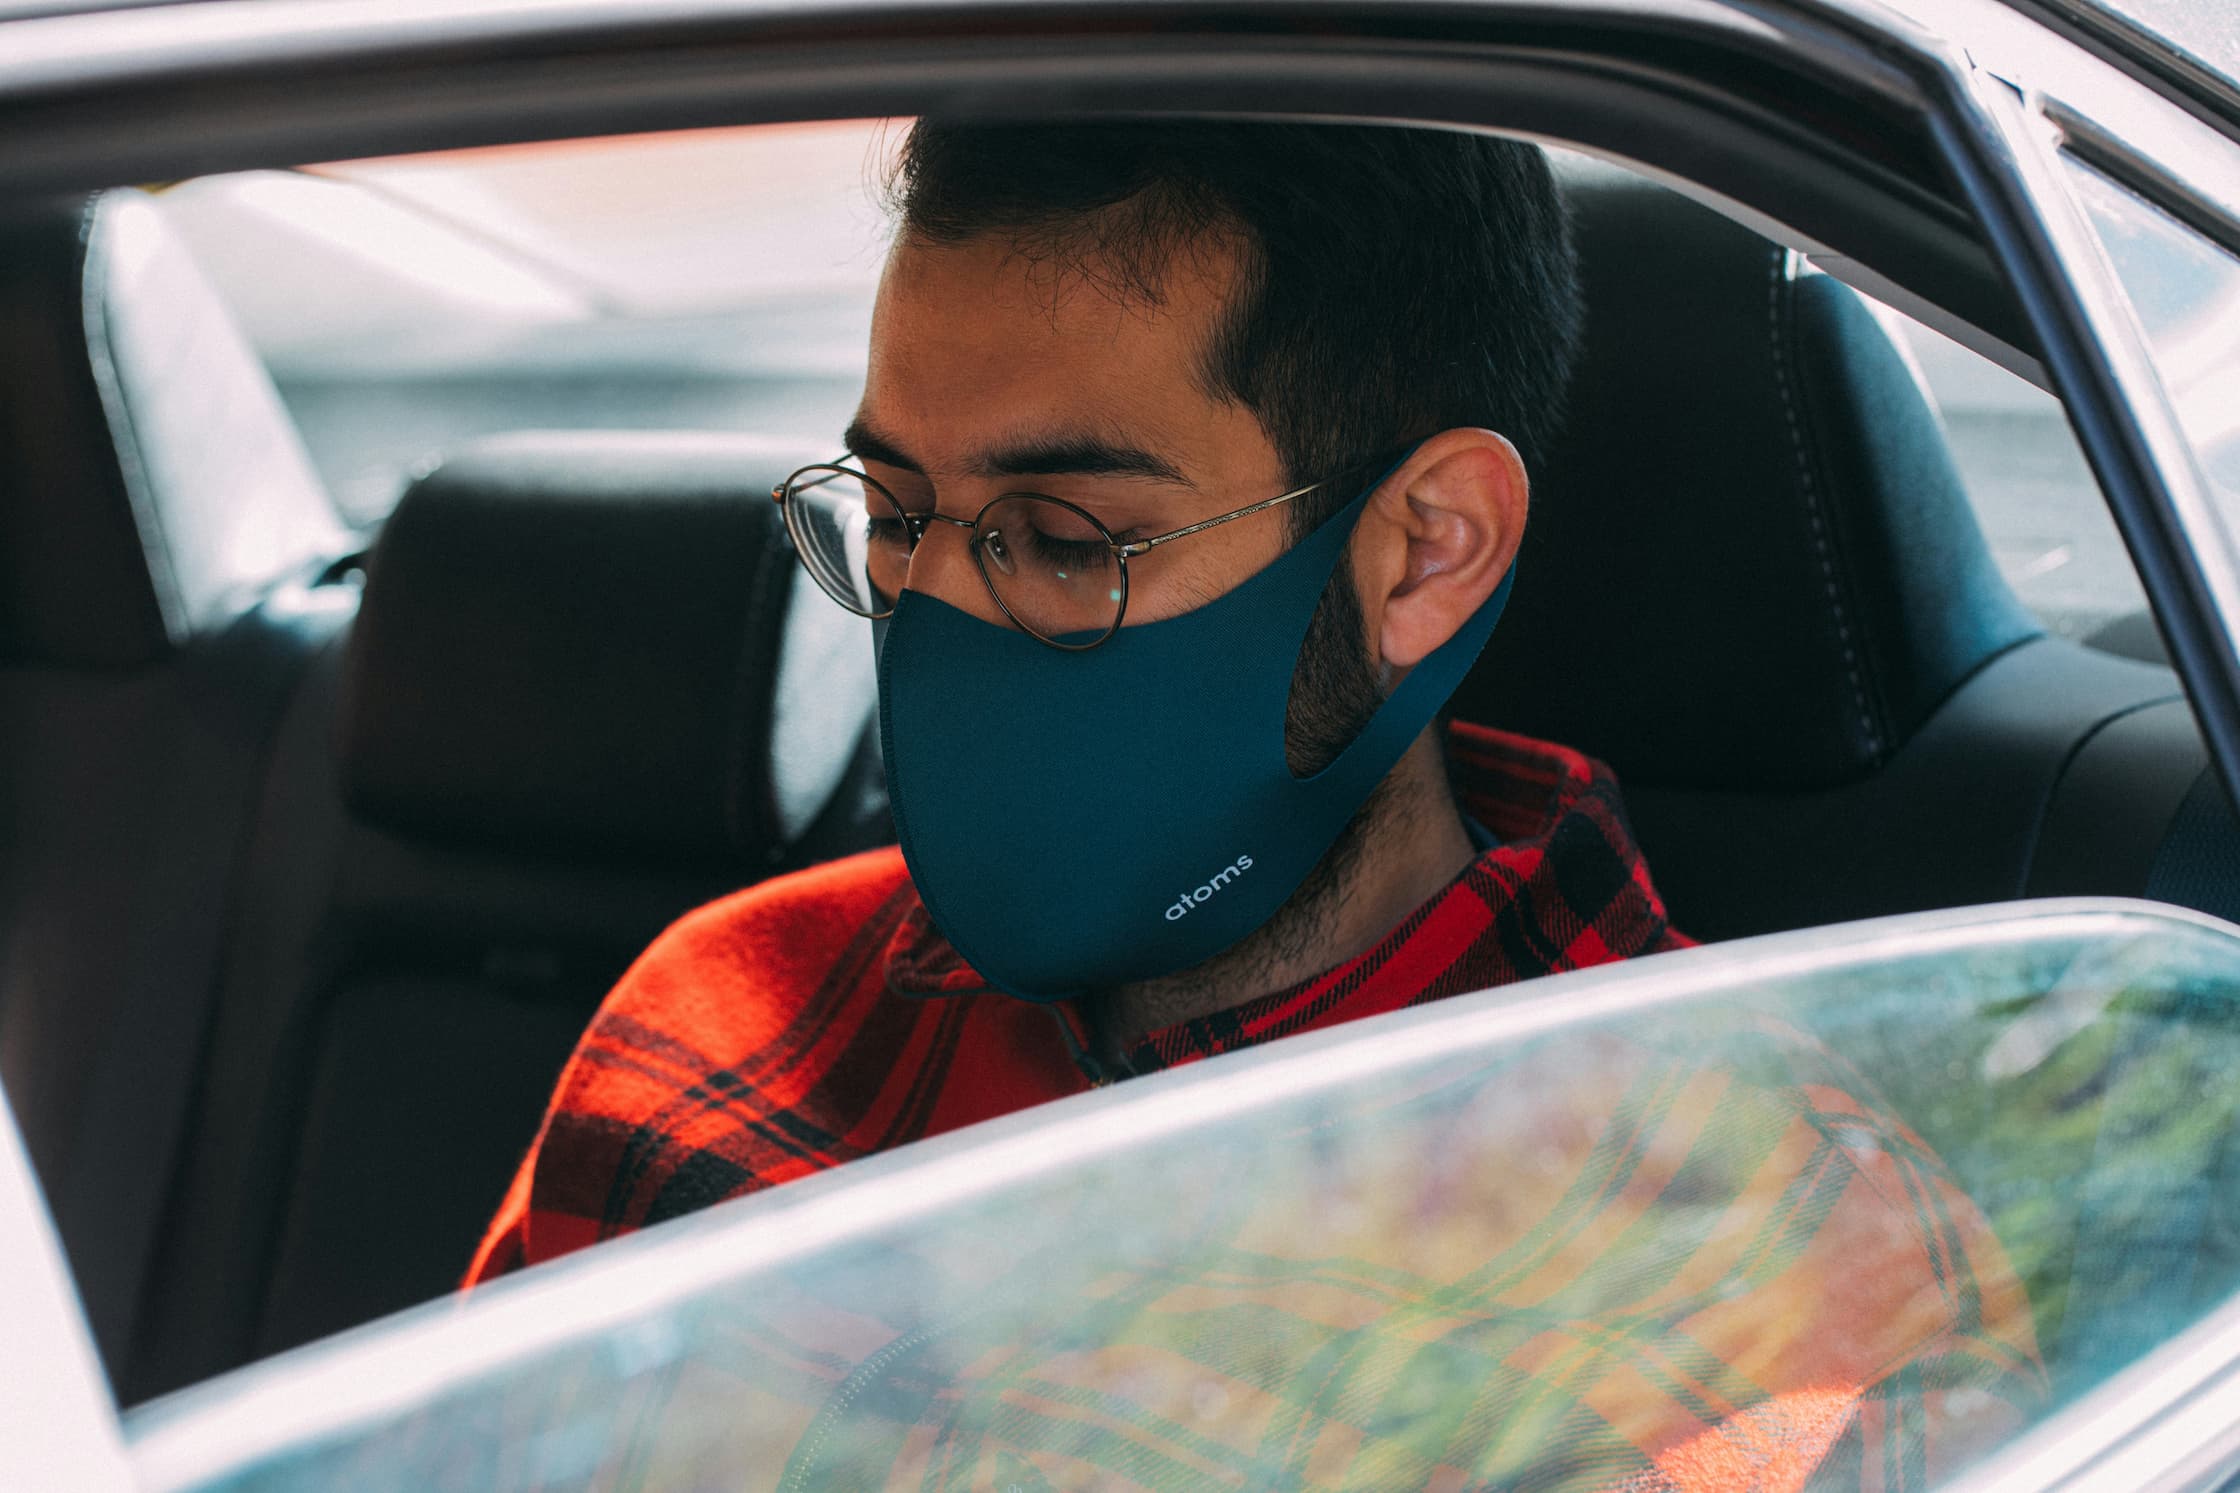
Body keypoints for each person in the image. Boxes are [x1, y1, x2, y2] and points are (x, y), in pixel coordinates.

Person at [465, 120, 2040, 1487]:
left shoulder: (1771, 1269)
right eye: (892, 516)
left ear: (1425, 550)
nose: (934, 621)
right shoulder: (725, 1018)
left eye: (1067, 537)